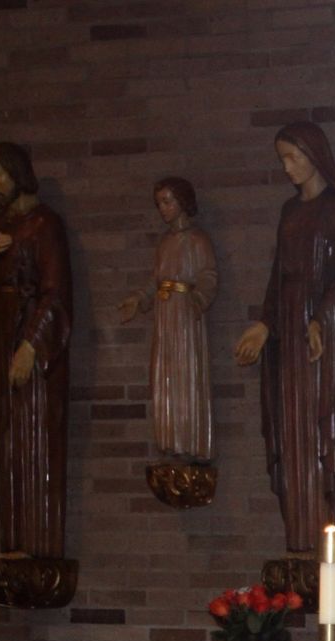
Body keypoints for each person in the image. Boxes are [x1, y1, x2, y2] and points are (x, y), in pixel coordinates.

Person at [235, 122, 335, 555]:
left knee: (319, 433)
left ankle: (327, 537)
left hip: (319, 347)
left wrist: (320, 319)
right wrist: (264, 323)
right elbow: (277, 278)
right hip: (287, 338)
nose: (287, 167)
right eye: (282, 159)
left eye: (293, 157)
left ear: (314, 154)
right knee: (291, 438)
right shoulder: (290, 213)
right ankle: (300, 536)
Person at [0, 141, 71, 559]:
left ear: (18, 172)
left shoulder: (45, 224)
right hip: (1, 334)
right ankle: (12, 544)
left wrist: (31, 343)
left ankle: (39, 547)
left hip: (33, 340)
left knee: (35, 435)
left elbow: (57, 291)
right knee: (9, 438)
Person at [120, 177, 217, 461]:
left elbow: (209, 277)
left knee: (186, 377)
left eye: (167, 201)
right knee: (165, 377)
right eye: (159, 203)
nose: (162, 209)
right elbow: (155, 281)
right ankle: (170, 441)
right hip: (165, 318)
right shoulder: (164, 242)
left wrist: (196, 302)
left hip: (185, 317)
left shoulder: (198, 240)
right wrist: (138, 300)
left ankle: (190, 442)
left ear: (183, 202)